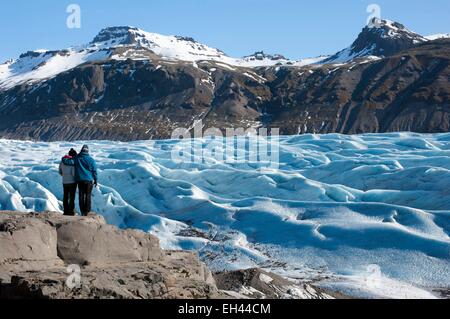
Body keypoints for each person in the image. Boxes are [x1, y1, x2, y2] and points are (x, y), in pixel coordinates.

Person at [74, 145, 98, 216]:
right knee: (88, 196)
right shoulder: (91, 160)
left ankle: (82, 212)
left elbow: (72, 161)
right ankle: (87, 212)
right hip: (89, 181)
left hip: (80, 180)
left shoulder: (77, 158)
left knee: (81, 196)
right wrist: (96, 180)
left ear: (81, 150)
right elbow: (94, 171)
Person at [59, 148, 78, 216]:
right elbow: (73, 173)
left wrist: (64, 176)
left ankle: (65, 211)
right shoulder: (72, 162)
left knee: (65, 196)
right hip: (72, 182)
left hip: (65, 182)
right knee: (72, 197)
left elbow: (60, 171)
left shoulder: (62, 161)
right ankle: (71, 211)